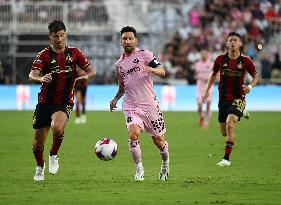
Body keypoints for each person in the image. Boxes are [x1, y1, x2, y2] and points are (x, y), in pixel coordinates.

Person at [29, 19, 96, 181]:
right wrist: (41, 78)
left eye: (61, 35)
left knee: (57, 128)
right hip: (45, 102)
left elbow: (91, 71)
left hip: (64, 101)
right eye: (55, 36)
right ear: (50, 37)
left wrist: (83, 78)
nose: (59, 39)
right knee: (37, 144)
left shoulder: (74, 53)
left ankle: (53, 155)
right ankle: (40, 166)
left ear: (65, 34)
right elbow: (32, 75)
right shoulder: (43, 55)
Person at [110, 26, 169, 181]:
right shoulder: (119, 65)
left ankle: (165, 164)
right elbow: (122, 86)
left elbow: (162, 72)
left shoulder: (146, 54)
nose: (127, 41)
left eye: (130, 38)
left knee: (159, 141)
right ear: (120, 41)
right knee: (133, 134)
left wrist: (151, 69)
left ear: (136, 40)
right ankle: (139, 169)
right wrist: (116, 99)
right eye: (124, 38)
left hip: (150, 105)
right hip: (131, 105)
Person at [202, 32, 258, 166]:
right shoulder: (220, 59)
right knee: (223, 132)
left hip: (238, 97)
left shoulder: (246, 61)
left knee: (230, 124)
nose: (232, 42)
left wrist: (250, 87)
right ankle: (241, 112)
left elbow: (256, 76)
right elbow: (213, 75)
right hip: (223, 99)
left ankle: (226, 159)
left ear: (240, 43)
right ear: (227, 43)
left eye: (235, 40)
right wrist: (206, 91)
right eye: (230, 40)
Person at [194, 49, 214, 129]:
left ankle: (206, 122)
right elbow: (196, 75)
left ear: (207, 55)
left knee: (208, 104)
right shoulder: (198, 64)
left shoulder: (211, 64)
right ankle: (202, 116)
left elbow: (215, 74)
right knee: (199, 106)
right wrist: (199, 77)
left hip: (209, 87)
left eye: (205, 54)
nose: (204, 55)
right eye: (202, 54)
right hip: (200, 87)